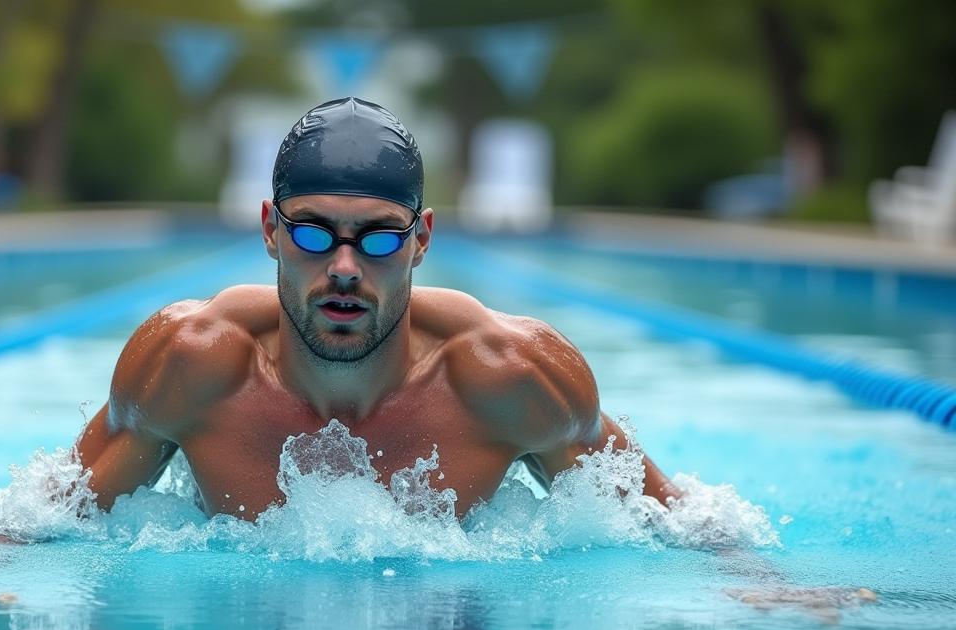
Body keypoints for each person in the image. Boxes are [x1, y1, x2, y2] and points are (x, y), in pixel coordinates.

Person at [75, 97, 682, 520]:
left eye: (379, 237)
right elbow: (42, 525)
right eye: (313, 233)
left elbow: (684, 531)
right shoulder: (188, 364)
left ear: (421, 241)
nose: (343, 267)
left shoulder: (512, 377)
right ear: (269, 230)